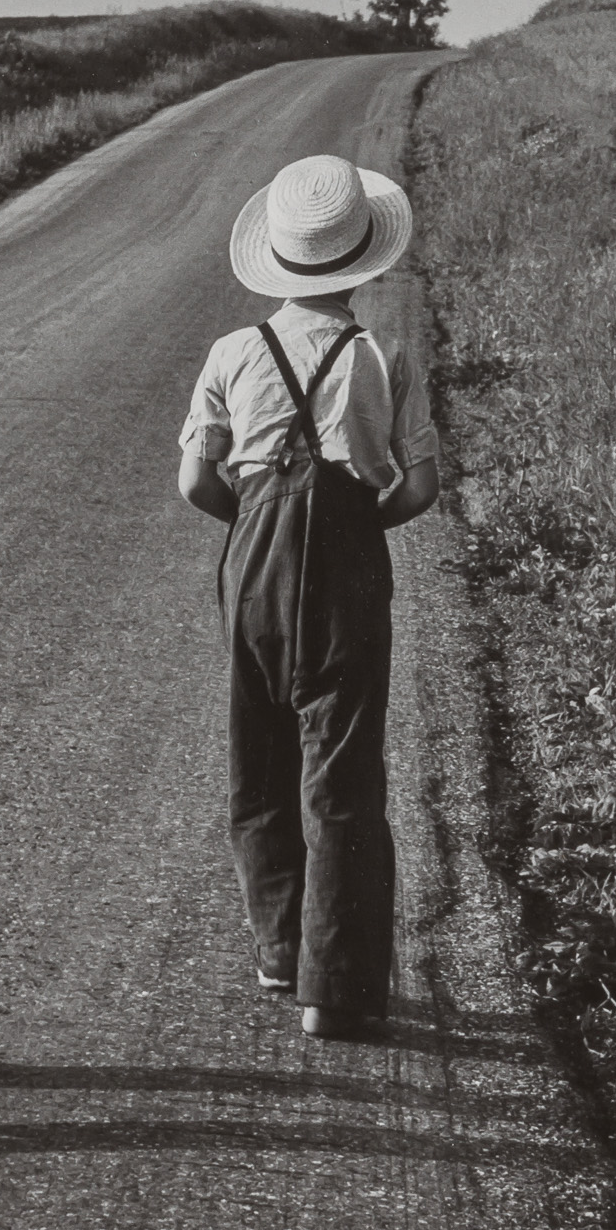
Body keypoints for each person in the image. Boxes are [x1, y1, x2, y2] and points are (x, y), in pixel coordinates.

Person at [178, 154, 439, 1041]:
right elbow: (419, 488)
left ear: (279, 261)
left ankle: (277, 948)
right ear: (366, 260)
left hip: (252, 559)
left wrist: (253, 521)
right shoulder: (381, 352)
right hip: (348, 563)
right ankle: (333, 985)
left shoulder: (229, 351)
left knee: (257, 759)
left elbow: (193, 482)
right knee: (343, 771)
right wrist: (363, 529)